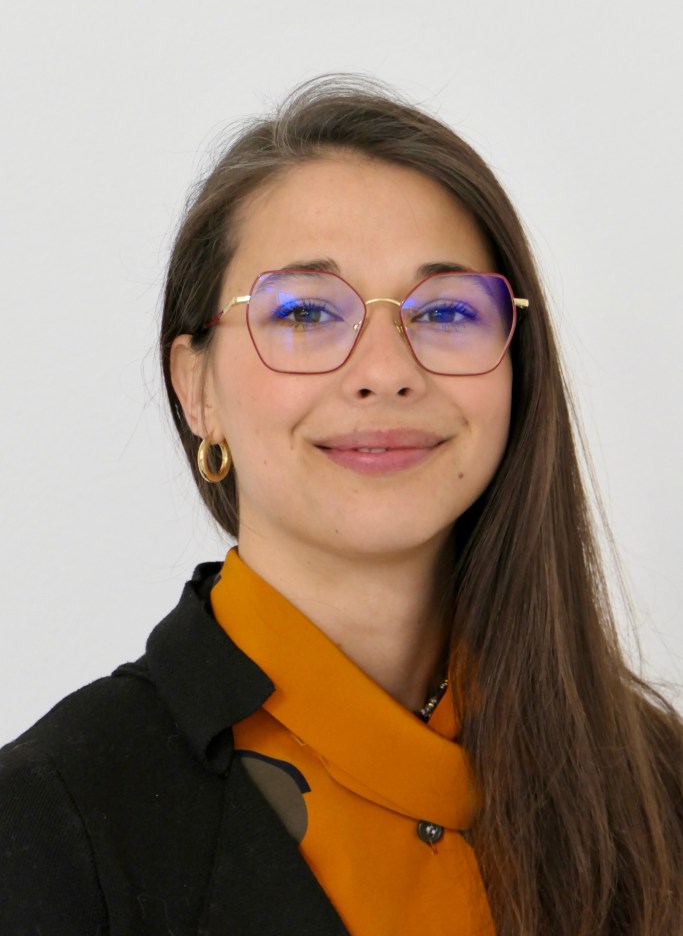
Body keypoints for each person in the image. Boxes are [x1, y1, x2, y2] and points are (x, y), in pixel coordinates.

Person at [1, 77, 681, 936]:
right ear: (196, 388)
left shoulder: (654, 787)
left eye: (445, 310)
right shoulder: (51, 822)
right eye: (305, 312)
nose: (385, 371)